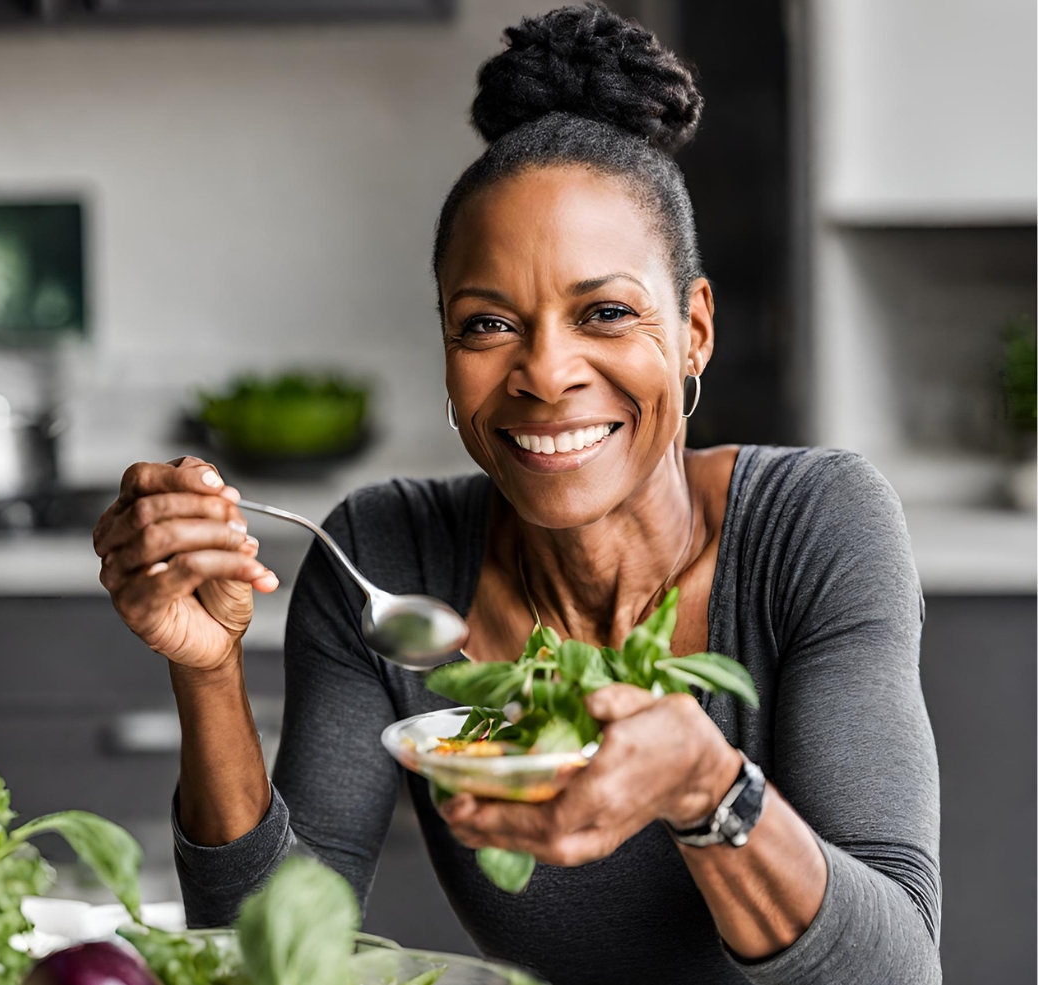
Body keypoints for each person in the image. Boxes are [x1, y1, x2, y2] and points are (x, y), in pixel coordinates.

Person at [93, 6, 941, 983]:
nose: (544, 373)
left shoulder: (815, 526)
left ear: (692, 329)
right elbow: (270, 955)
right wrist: (208, 674)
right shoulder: (381, 554)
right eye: (487, 323)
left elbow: (897, 969)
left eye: (606, 313)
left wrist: (708, 786)